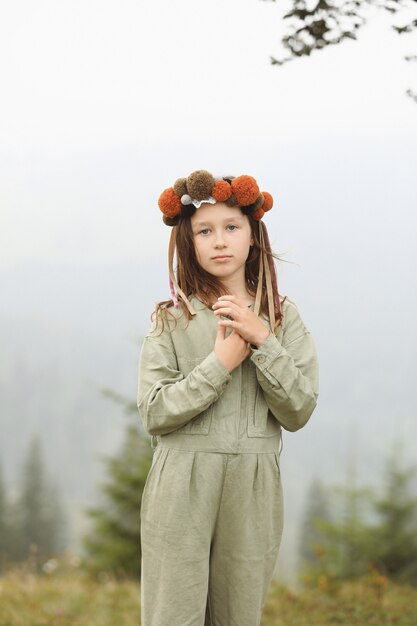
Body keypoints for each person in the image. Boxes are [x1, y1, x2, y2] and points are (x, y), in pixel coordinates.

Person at [137, 169, 319, 626]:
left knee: (239, 616)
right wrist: (220, 363)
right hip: (182, 484)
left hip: (253, 485)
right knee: (172, 615)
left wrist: (263, 341)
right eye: (205, 230)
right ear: (189, 241)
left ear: (253, 235)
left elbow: (299, 409)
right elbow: (155, 412)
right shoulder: (170, 320)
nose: (220, 241)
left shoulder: (281, 318)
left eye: (232, 227)